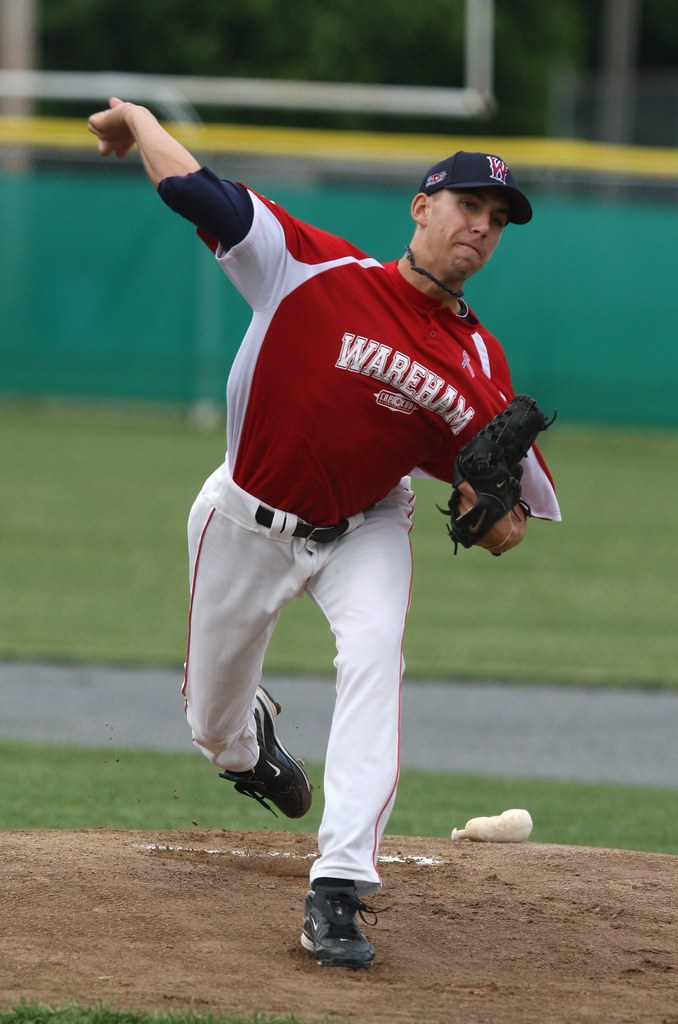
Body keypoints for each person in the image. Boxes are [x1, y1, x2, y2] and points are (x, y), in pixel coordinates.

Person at [88, 98, 561, 970]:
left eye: (497, 221)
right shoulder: (310, 268)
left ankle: (338, 888)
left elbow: (510, 526)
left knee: (376, 654)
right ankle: (250, 746)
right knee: (210, 726)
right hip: (243, 517)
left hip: (367, 527)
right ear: (421, 208)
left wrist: (489, 517)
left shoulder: (479, 363)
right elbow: (198, 192)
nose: (481, 228)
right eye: (467, 206)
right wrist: (142, 121)